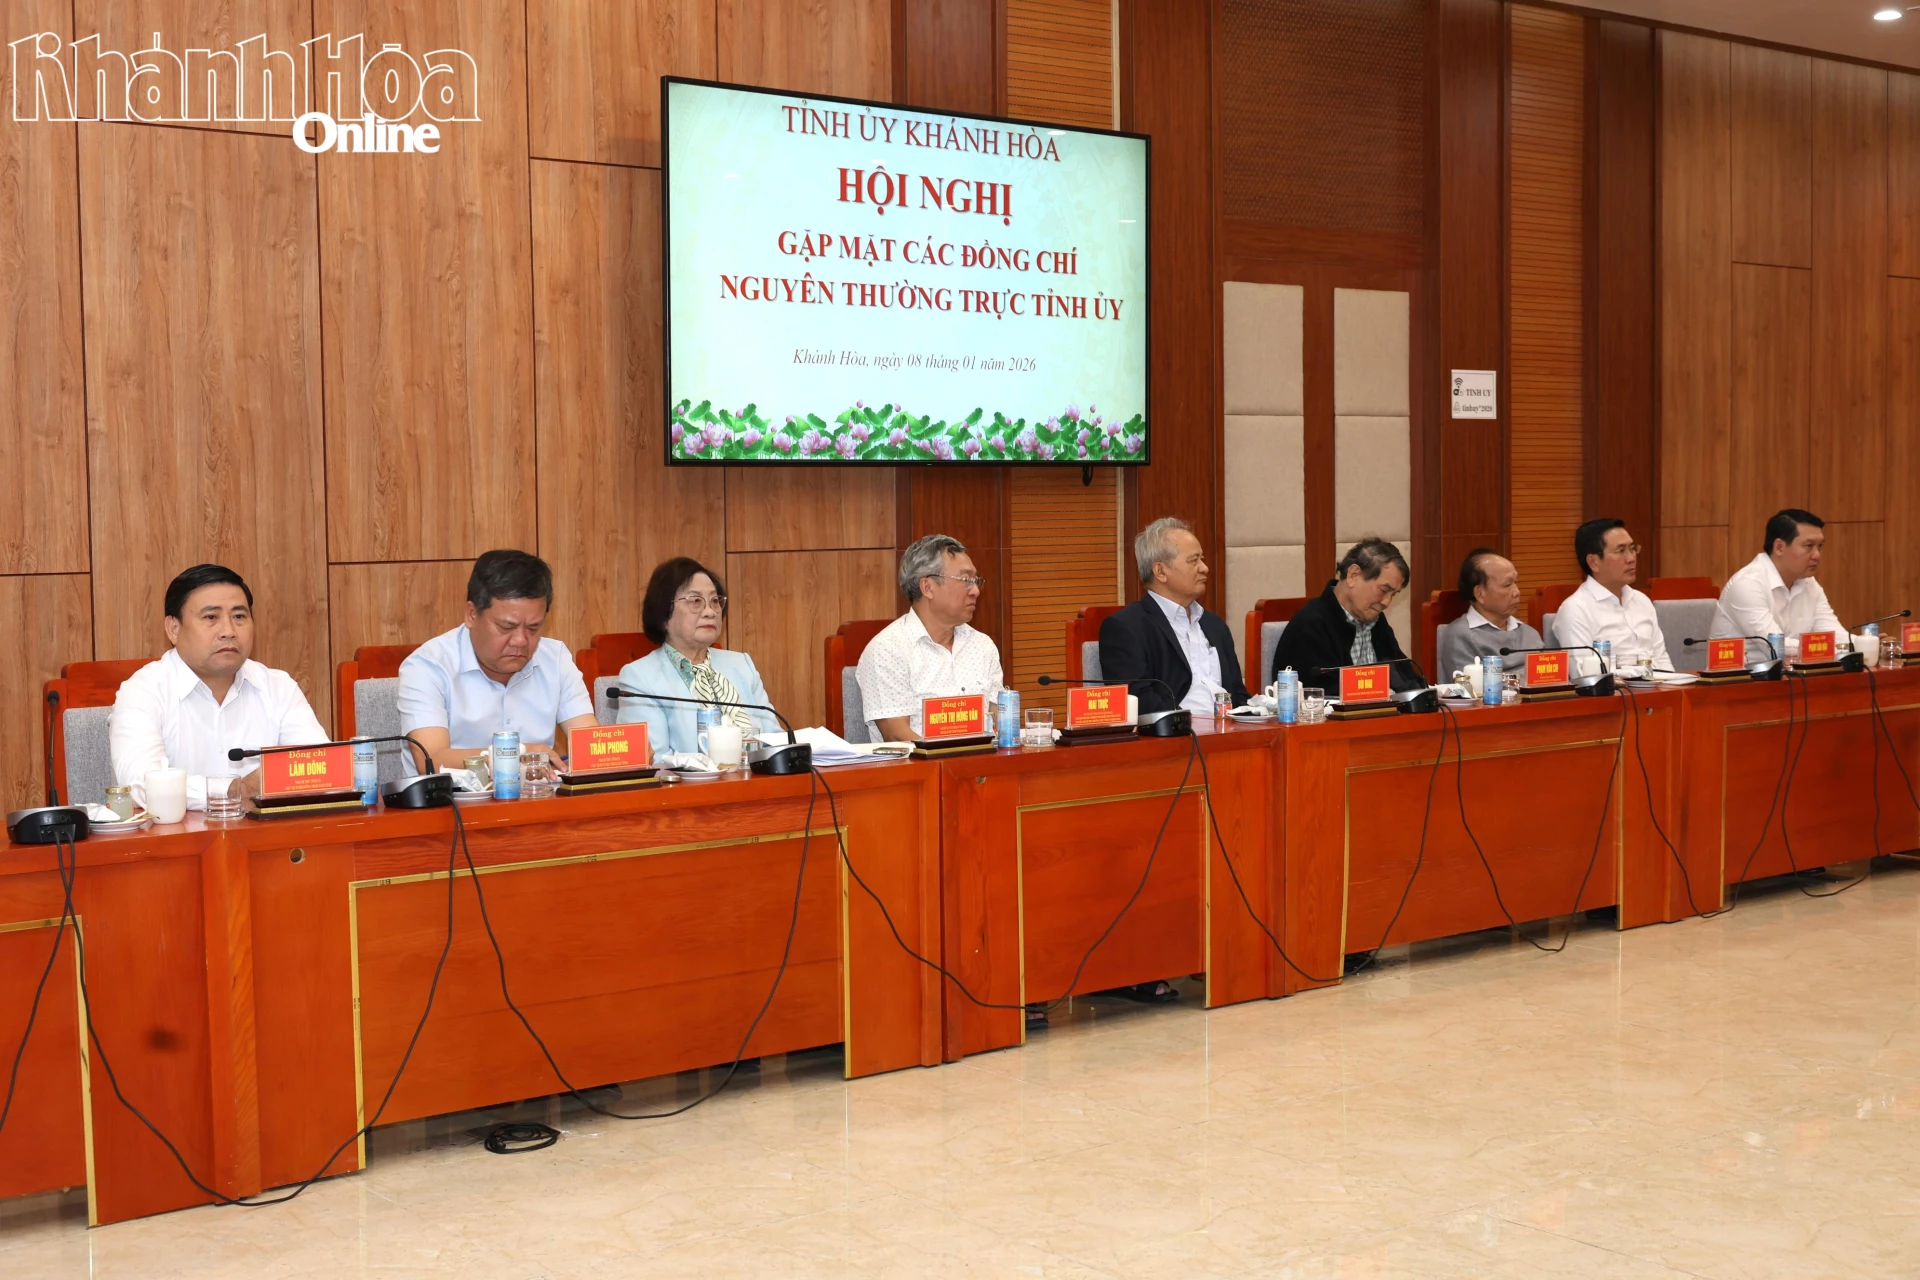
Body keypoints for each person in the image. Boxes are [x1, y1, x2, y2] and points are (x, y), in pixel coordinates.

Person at [109, 564, 328, 810]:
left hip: (268, 833)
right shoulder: (143, 692)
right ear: (174, 628)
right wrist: (232, 791)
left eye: (239, 617)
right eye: (211, 617)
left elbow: (319, 768)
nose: (228, 631)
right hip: (178, 835)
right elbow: (141, 785)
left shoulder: (279, 687)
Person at [397, 549, 597, 770]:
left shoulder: (555, 659)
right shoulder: (427, 667)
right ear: (472, 614)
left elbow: (591, 746)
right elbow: (431, 761)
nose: (521, 641)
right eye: (506, 627)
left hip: (539, 792)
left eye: (533, 628)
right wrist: (518, 754)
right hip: (453, 793)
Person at [615, 558, 781, 756]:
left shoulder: (742, 664)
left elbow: (775, 740)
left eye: (715, 601)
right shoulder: (640, 678)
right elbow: (655, 760)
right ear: (663, 615)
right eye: (695, 601)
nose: (710, 612)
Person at [856, 534, 1004, 742]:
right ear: (928, 587)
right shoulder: (889, 648)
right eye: (966, 580)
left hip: (982, 761)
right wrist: (950, 758)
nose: (976, 591)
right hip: (920, 763)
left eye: (976, 581)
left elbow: (1001, 724)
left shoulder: (982, 646)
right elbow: (896, 736)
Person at [1099, 517, 1249, 715]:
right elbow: (1138, 701)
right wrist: (1191, 723)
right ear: (1160, 571)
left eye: (1202, 559)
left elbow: (1238, 694)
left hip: (1228, 728)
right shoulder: (1126, 628)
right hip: (1177, 731)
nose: (1204, 568)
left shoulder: (1214, 624)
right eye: (1193, 560)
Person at [1269, 537, 1421, 691]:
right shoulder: (1309, 625)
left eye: (1393, 594)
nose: (1386, 602)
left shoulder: (1376, 621)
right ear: (1353, 575)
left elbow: (1407, 680)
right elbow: (1317, 693)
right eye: (1384, 590)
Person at [1710, 509, 1844, 649]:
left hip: (1789, 663)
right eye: (1808, 546)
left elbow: (1839, 638)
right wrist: (1826, 647)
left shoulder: (1809, 584)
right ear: (1779, 547)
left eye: (1820, 546)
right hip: (1746, 664)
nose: (1817, 555)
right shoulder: (1747, 584)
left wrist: (1858, 644)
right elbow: (1776, 646)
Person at [1552, 519, 1674, 672]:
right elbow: (1583, 673)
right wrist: (1638, 674)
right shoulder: (1576, 609)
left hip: (1658, 684)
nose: (1631, 558)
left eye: (1632, 549)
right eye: (1620, 551)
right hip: (1615, 688)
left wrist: (1672, 682)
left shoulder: (1642, 601)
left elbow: (1662, 659)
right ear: (1594, 562)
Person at [1436, 549, 1544, 677]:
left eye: (1515, 582)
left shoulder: (1529, 633)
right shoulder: (1460, 637)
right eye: (1507, 584)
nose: (1517, 592)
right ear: (1480, 594)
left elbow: (1549, 675)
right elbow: (1472, 685)